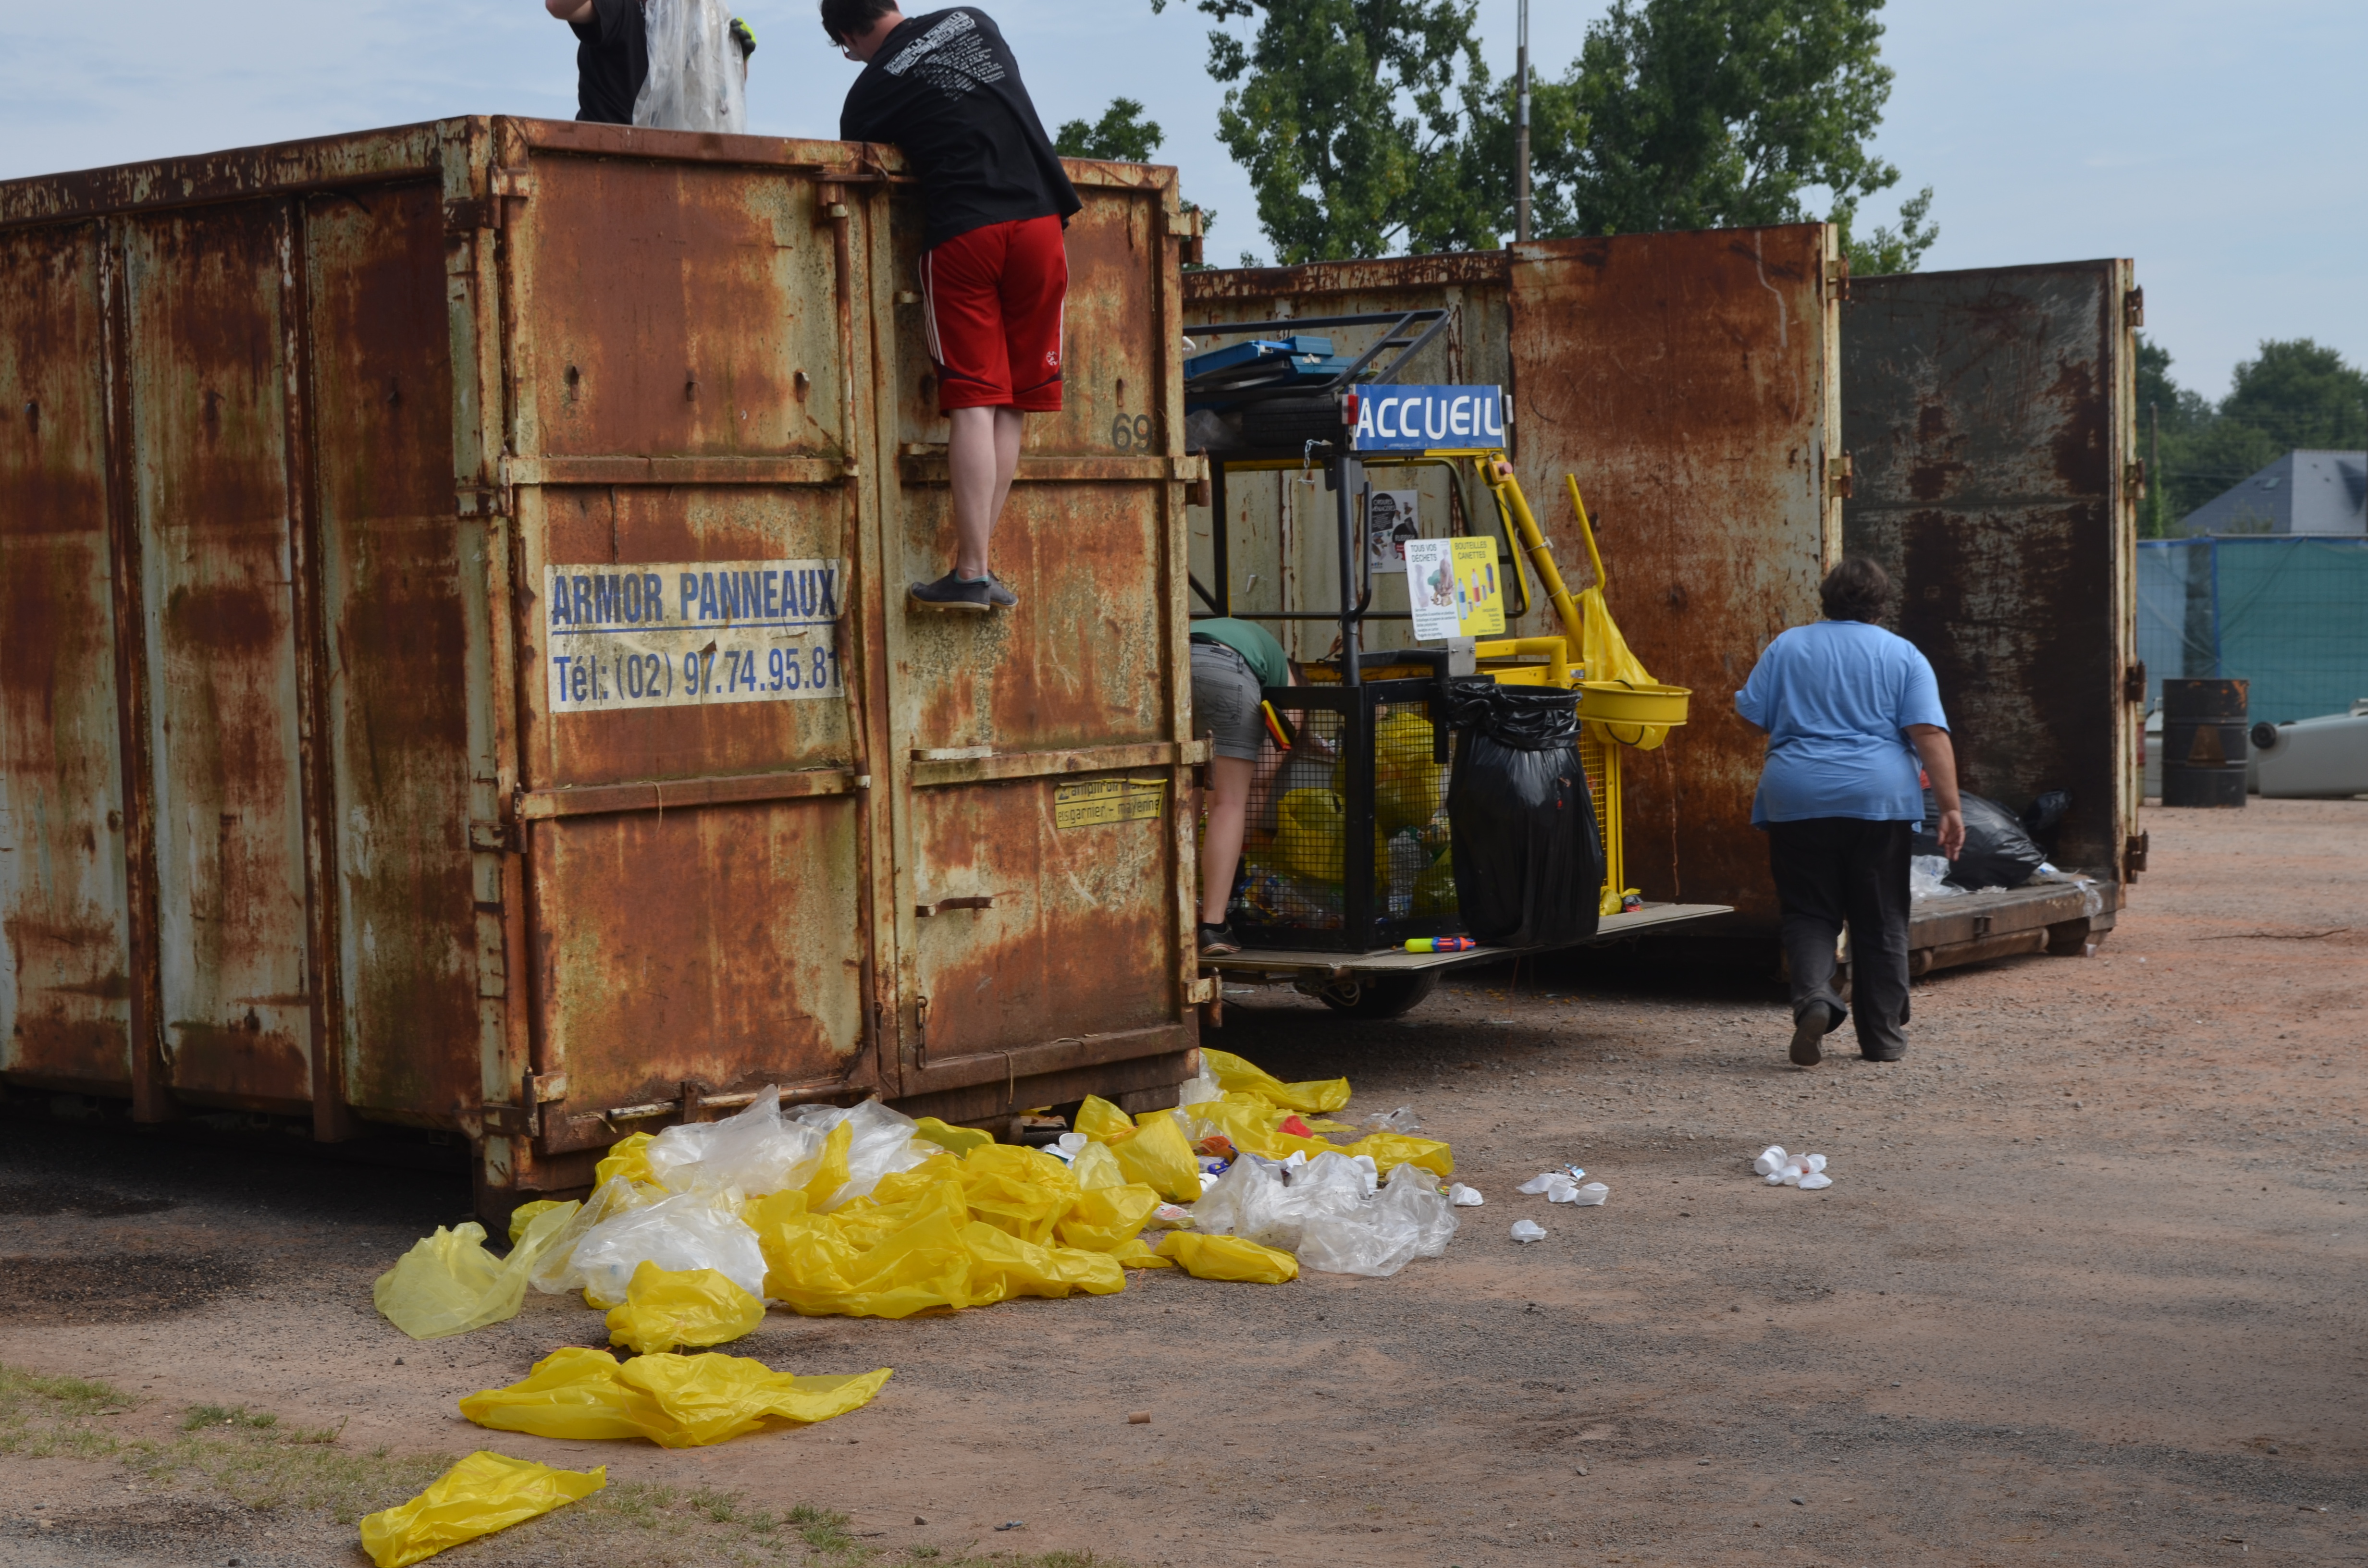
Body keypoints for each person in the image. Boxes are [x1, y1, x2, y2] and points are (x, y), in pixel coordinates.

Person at [825, 2, 1081, 614]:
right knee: (1015, 402)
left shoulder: (864, 97)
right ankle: (979, 566)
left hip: (967, 232)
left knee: (973, 400)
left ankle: (971, 572)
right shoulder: (972, 18)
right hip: (1042, 222)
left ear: (845, 38)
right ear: (891, 5)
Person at [1735, 559, 1966, 1066]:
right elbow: (1928, 733)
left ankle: (1816, 997)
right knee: (1880, 916)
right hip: (1876, 801)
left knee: (1809, 912)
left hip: (1795, 797)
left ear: (1825, 598)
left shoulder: (1787, 646)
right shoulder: (1902, 655)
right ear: (1881, 605)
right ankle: (1881, 1039)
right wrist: (1949, 808)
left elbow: (1752, 718)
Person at [1188, 618, 1295, 957]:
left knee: (1181, 796)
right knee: (1228, 803)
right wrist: (1244, 852)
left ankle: (1175, 909)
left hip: (1171, 661)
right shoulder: (1286, 676)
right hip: (1226, 672)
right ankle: (1214, 927)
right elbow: (1263, 777)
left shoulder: (1234, 631)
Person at [547, 1, 754, 125]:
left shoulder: (689, 32)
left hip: (660, 163)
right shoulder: (621, 7)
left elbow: (716, 95)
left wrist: (737, 59)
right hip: (600, 153)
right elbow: (557, 5)